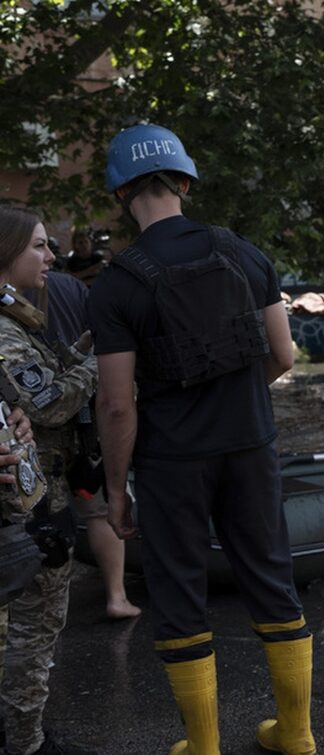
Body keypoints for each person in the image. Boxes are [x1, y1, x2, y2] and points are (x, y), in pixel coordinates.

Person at [87, 124, 315, 755]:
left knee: (179, 591)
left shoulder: (116, 285)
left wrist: (115, 489)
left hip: (171, 462)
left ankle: (203, 745)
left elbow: (114, 403)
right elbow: (283, 355)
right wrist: (237, 402)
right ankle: (296, 733)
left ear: (123, 193)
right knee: (272, 579)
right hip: (251, 444)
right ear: (185, 181)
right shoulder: (245, 253)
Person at [0, 207, 97, 755]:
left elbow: (47, 378)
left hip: (38, 498)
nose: (52, 257)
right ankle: (24, 742)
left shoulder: (17, 319)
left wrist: (83, 349)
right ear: (5, 253)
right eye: (39, 246)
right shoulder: (3, 328)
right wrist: (102, 361)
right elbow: (50, 401)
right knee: (34, 633)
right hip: (29, 509)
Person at [23, 270, 138, 620]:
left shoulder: (21, 294)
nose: (48, 257)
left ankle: (41, 613)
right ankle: (115, 596)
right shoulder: (68, 286)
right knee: (96, 510)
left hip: (46, 433)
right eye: (39, 246)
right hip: (78, 421)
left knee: (37, 518)